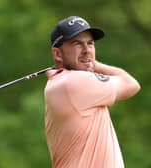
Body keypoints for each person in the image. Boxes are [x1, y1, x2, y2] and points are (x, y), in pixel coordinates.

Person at [44, 16, 141, 168]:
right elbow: (131, 84)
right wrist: (92, 62)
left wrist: (87, 61)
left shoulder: (60, 83)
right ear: (57, 54)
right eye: (77, 44)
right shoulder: (75, 83)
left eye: (90, 44)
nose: (87, 50)